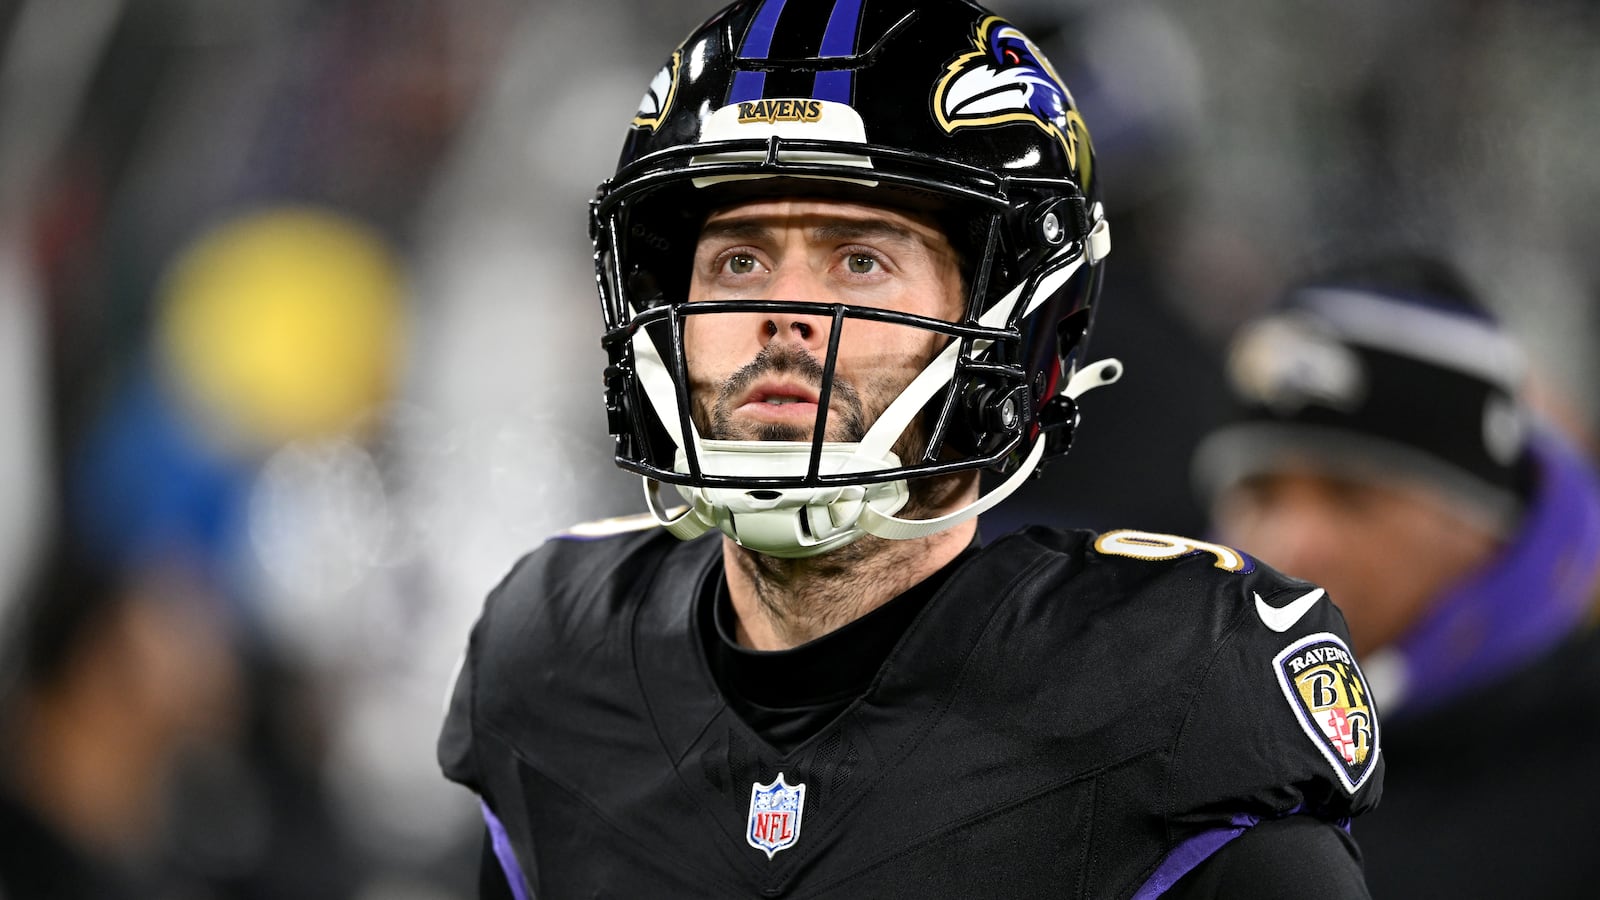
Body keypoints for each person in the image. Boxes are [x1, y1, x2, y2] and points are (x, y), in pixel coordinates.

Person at [439, 2, 1382, 896]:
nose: (785, 315)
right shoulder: (555, 658)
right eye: (738, 259)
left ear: (1013, 327)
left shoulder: (1175, 694)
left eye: (861, 259)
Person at [1193, 254, 1600, 898]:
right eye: (1263, 493)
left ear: (1481, 525)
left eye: (1352, 496)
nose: (1292, 542)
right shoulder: (1178, 751)